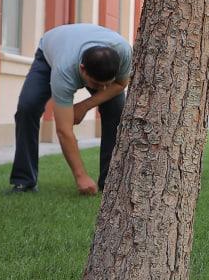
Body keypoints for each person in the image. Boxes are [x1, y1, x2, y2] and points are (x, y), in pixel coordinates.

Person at [8, 23, 132, 196]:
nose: (102, 89)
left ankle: (110, 182)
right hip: (50, 52)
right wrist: (81, 176)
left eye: (106, 84)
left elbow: (120, 84)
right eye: (96, 84)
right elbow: (64, 130)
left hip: (80, 46)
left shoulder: (124, 51)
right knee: (27, 107)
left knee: (116, 109)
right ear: (82, 70)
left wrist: (84, 106)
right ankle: (24, 181)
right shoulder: (64, 70)